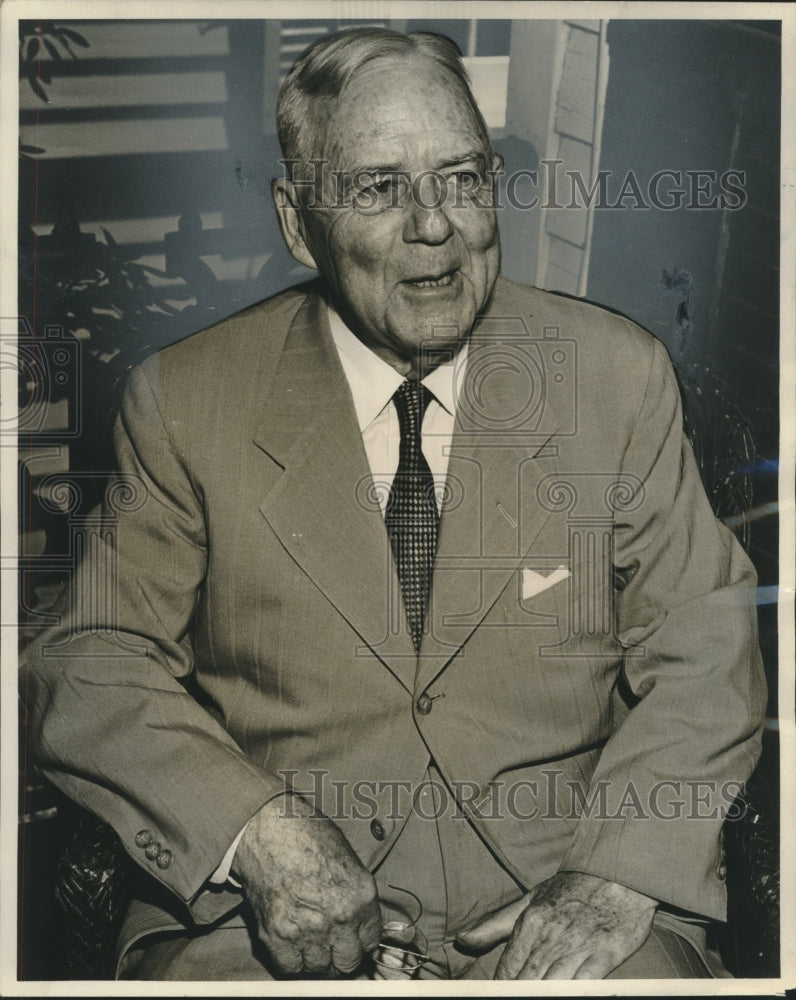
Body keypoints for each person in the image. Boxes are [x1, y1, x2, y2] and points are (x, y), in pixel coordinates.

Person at [23, 27, 766, 981]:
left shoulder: (613, 378)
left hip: (560, 894)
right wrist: (255, 831)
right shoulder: (188, 401)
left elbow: (703, 642)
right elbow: (88, 655)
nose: (433, 226)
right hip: (273, 919)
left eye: (460, 177)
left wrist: (619, 875)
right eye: (378, 188)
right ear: (300, 224)